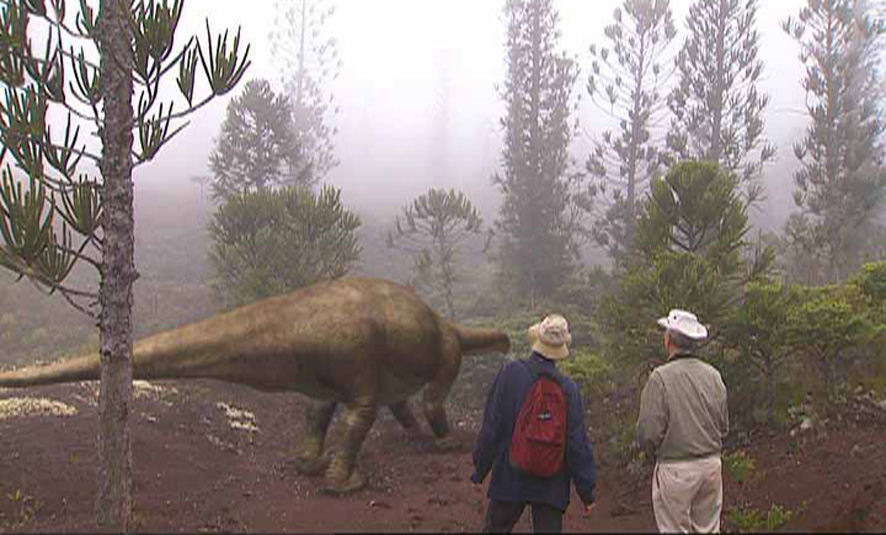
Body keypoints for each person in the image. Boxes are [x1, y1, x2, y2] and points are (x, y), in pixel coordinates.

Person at [471, 314, 597, 533]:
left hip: (510, 477)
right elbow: (577, 444)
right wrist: (587, 492)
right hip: (551, 483)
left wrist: (481, 468)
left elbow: (493, 425)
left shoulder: (510, 374)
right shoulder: (568, 389)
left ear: (537, 339)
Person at [636, 309, 729, 533]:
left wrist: (649, 452)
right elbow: (723, 426)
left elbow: (648, 433)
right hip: (711, 467)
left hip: (676, 469)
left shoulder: (660, 378)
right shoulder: (714, 376)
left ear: (669, 340)